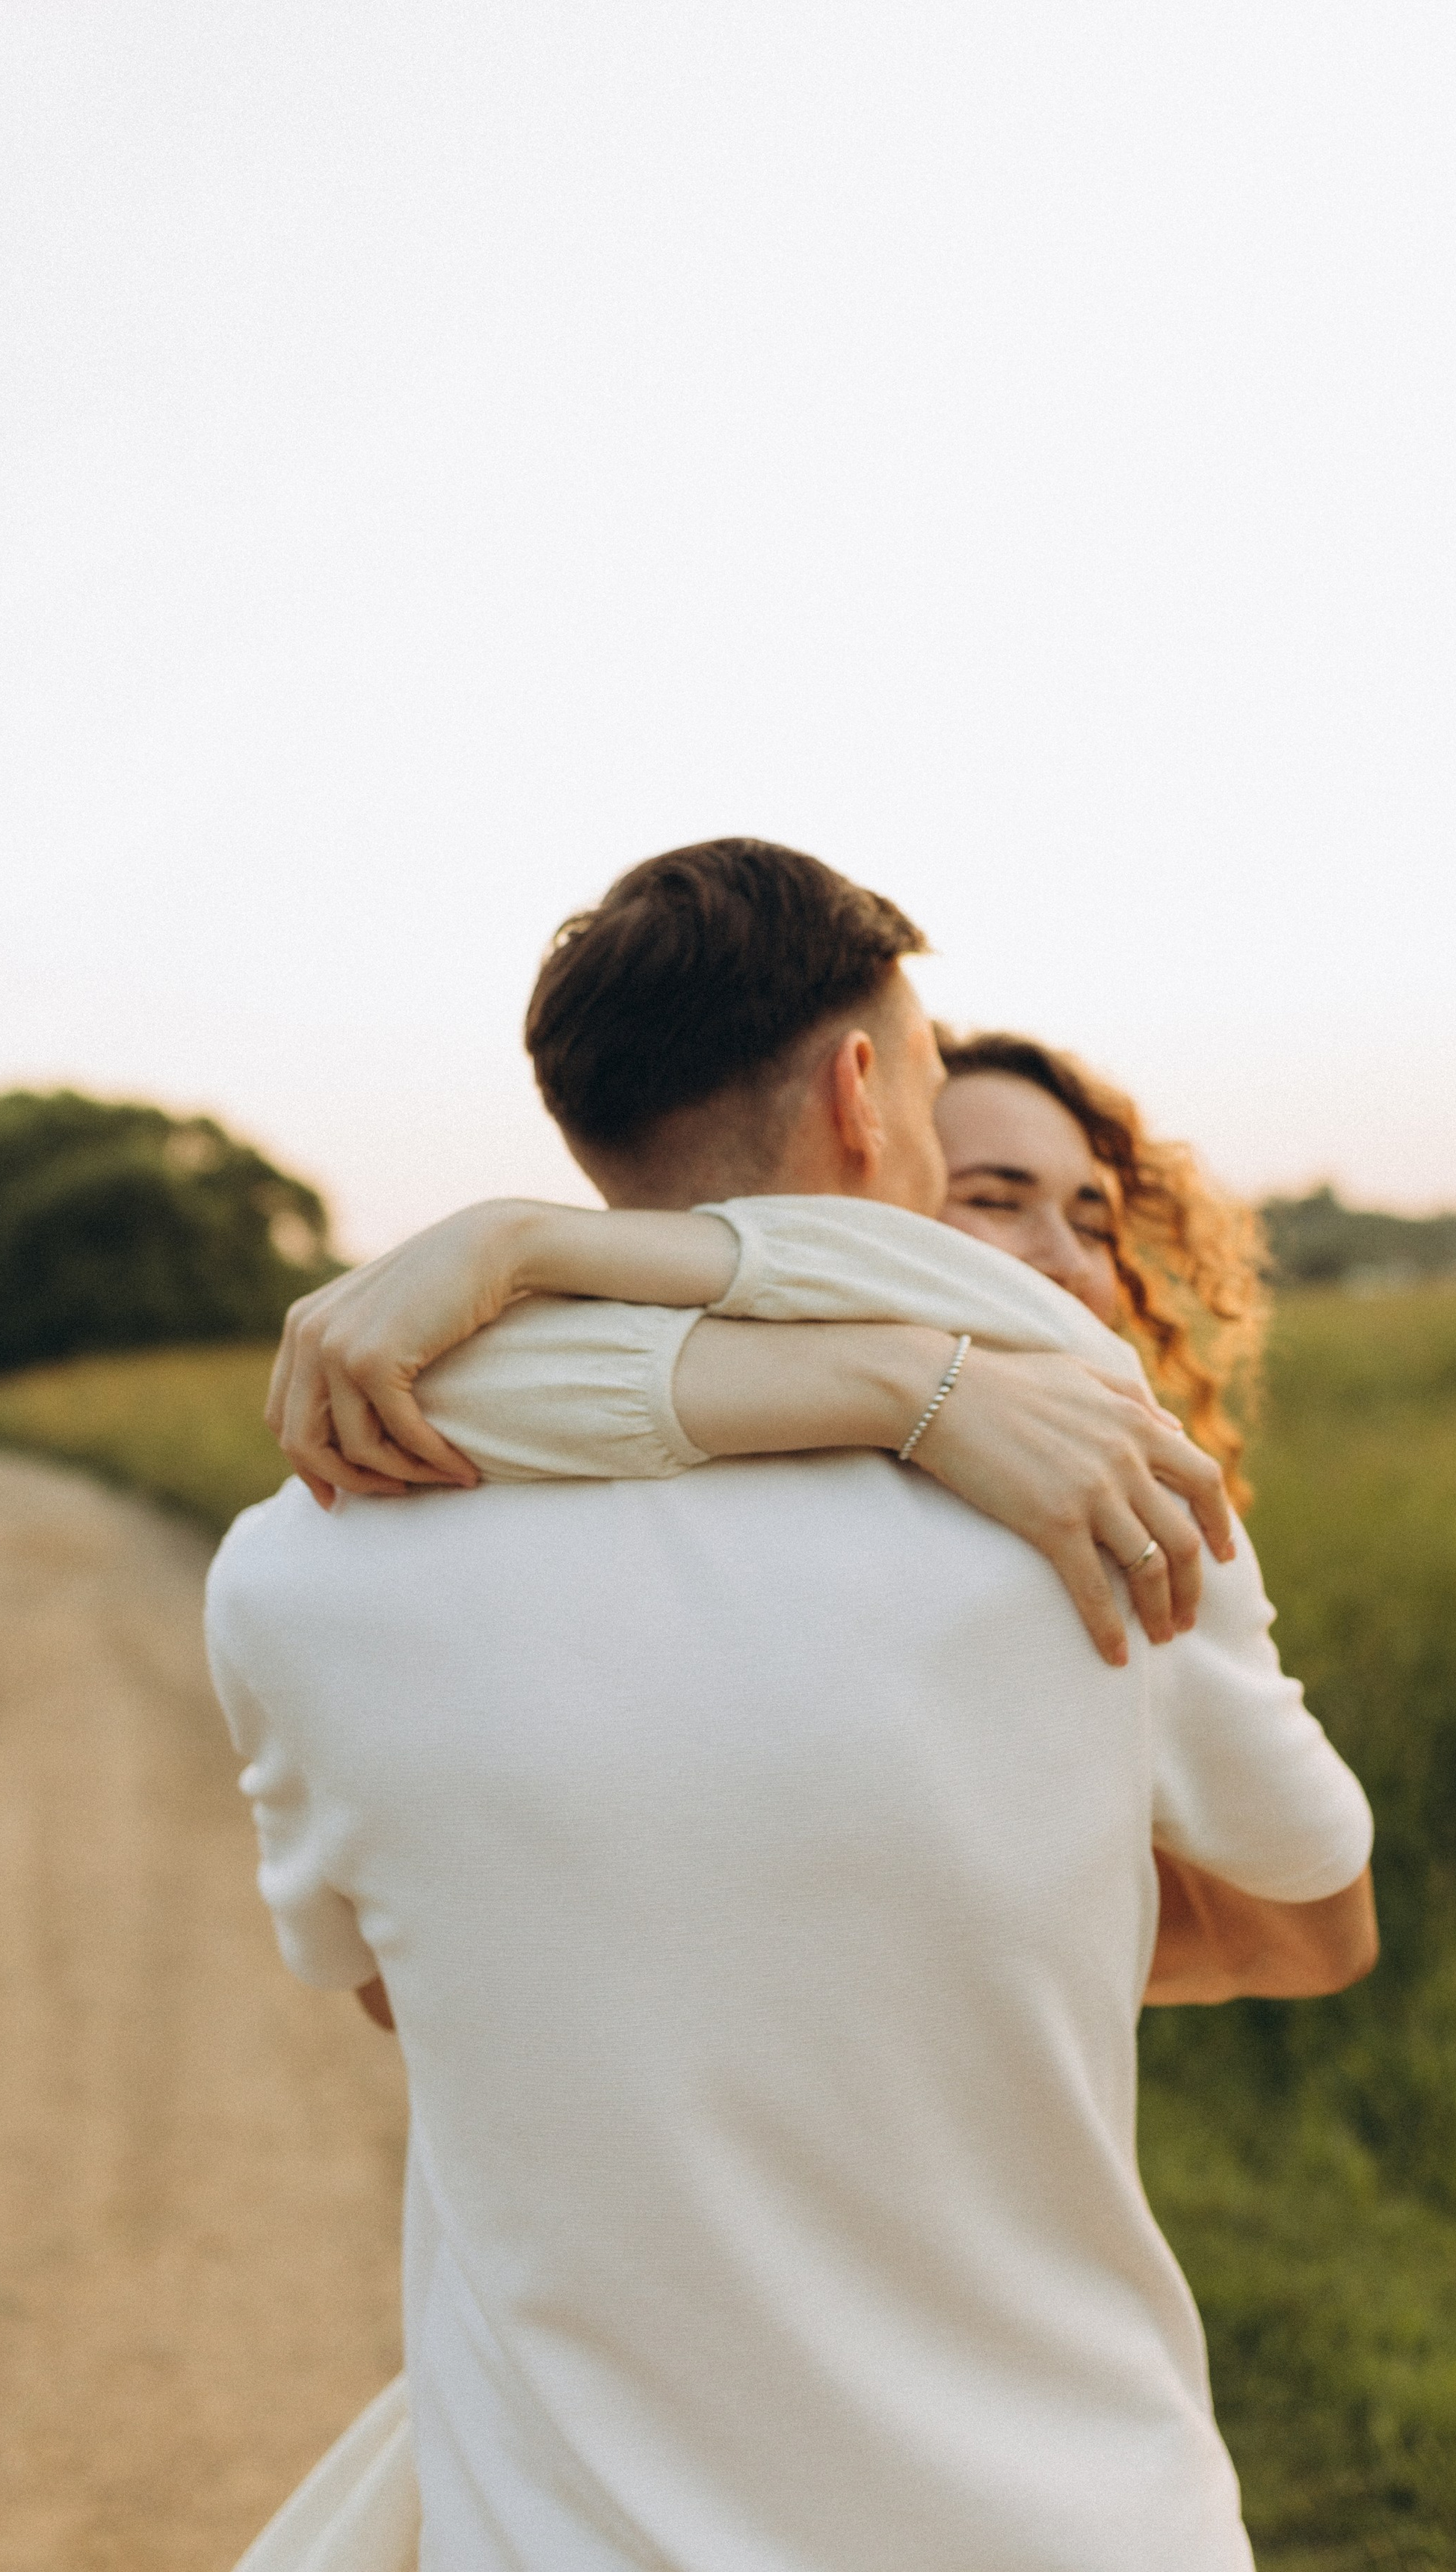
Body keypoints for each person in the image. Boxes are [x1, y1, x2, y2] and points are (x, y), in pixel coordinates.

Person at [210, 840, 1375, 2572]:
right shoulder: (1091, 1480)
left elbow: (406, 1990)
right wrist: (964, 1927)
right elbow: (1312, 1924)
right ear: (858, 1091)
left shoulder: (295, 1577)